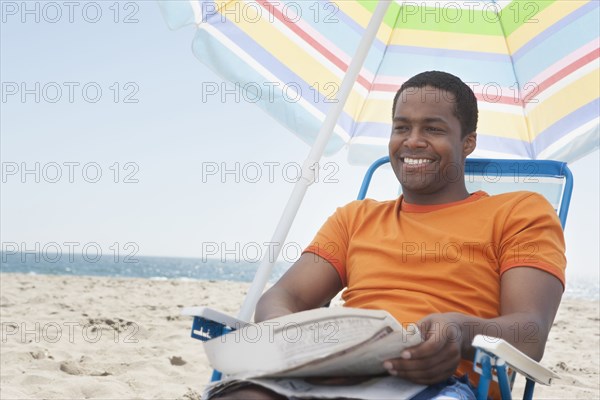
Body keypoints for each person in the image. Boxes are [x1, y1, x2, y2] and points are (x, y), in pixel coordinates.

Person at [215, 71, 566, 399]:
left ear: (468, 142)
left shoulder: (520, 213)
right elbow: (283, 296)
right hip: (334, 376)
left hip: (438, 382)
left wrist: (461, 333)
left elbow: (531, 334)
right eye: (401, 127)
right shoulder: (355, 218)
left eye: (433, 129)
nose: (413, 142)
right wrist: (297, 344)